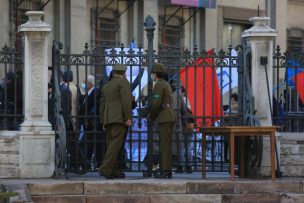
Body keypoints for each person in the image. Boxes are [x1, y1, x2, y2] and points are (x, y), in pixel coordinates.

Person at [98, 64, 132, 179]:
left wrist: (103, 120)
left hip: (108, 119)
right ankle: (105, 168)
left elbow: (102, 105)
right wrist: (128, 117)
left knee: (112, 145)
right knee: (115, 145)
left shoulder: (106, 86)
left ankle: (113, 170)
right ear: (124, 72)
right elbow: (126, 102)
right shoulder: (123, 83)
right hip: (119, 118)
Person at [149, 63, 176, 179]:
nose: (151, 75)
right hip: (169, 115)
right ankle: (167, 170)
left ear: (155, 73)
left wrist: (151, 116)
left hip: (164, 116)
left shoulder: (159, 84)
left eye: (152, 73)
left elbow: (156, 104)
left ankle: (165, 170)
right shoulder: (166, 83)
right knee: (167, 144)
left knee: (164, 145)